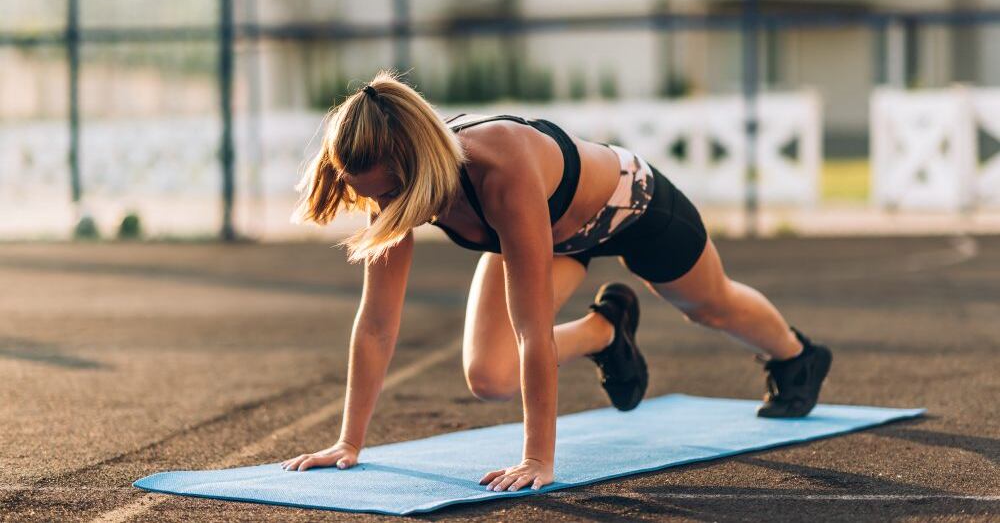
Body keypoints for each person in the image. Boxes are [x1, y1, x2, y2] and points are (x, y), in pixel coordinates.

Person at [279, 69, 832, 492]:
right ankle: (607, 331)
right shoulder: (395, 187)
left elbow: (533, 329)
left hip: (631, 208)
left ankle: (796, 356)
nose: (380, 207)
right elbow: (376, 323)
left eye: (386, 193)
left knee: (711, 306)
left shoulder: (501, 169)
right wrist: (348, 442)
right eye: (370, 194)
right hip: (556, 236)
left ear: (418, 166)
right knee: (490, 375)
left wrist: (538, 458)